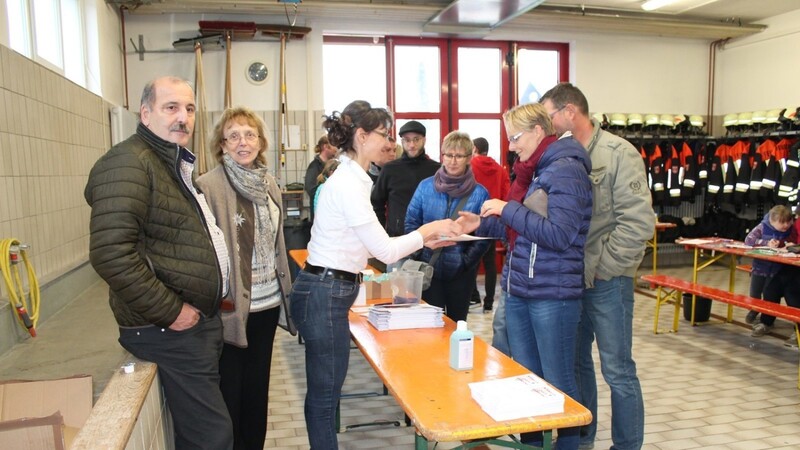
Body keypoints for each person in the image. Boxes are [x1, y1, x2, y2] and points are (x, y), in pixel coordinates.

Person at [290, 100, 461, 450]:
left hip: (330, 289)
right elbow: (383, 252)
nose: (390, 142)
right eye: (384, 134)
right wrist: (428, 230)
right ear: (362, 136)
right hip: (324, 292)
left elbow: (363, 246)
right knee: (325, 396)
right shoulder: (349, 185)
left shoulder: (357, 179)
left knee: (327, 392)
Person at [84, 76, 233, 450]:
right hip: (167, 330)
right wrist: (172, 312)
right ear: (145, 113)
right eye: (171, 108)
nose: (183, 117)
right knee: (212, 438)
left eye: (189, 108)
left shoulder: (170, 163)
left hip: (192, 327)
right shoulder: (128, 163)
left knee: (205, 434)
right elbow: (111, 254)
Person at [457, 103, 592, 449]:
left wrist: (508, 208)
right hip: (520, 289)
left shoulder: (566, 170)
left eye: (516, 138)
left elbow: (560, 235)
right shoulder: (532, 170)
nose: (512, 146)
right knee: (528, 383)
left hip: (553, 294)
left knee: (559, 385)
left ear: (537, 131)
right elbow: (520, 227)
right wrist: (482, 222)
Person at [541, 82, 655, 450]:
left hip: (607, 280)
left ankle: (626, 445)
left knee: (618, 370)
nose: (548, 122)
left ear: (570, 112)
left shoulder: (619, 153)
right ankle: (584, 436)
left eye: (550, 114)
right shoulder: (563, 154)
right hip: (572, 279)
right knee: (577, 364)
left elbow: (638, 223)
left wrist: (605, 268)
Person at [195, 106, 295, 450]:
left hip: (267, 304)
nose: (243, 142)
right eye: (233, 135)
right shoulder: (207, 186)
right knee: (230, 392)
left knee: (257, 389)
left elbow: (277, 241)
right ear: (221, 145)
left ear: (260, 141)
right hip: (230, 309)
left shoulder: (267, 183)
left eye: (249, 134)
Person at [405, 131, 490, 322]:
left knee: (457, 325)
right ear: (442, 156)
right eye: (448, 155)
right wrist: (421, 252)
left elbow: (484, 234)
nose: (452, 161)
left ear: (469, 158)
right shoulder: (425, 187)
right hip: (429, 269)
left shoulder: (480, 193)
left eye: (459, 156)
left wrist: (465, 262)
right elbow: (411, 223)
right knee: (430, 328)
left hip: (461, 275)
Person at [371, 120, 440, 236]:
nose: (412, 145)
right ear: (402, 142)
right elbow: (376, 204)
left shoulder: (437, 170)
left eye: (416, 139)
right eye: (407, 140)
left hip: (430, 237)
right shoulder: (390, 169)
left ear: (424, 140)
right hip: (398, 238)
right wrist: (381, 234)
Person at [469, 137, 510, 312]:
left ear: (474, 148)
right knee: (490, 262)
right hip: (493, 219)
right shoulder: (500, 170)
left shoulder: (469, 167)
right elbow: (506, 194)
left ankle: (474, 298)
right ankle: (489, 302)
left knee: (471, 260)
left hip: (473, 219)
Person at [744, 205, 793, 337]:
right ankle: (754, 310)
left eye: (788, 222)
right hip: (759, 269)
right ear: (772, 220)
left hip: (775, 270)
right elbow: (748, 240)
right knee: (755, 293)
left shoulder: (789, 231)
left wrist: (787, 245)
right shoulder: (762, 227)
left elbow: (790, 242)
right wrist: (766, 243)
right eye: (782, 222)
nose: (786, 225)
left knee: (769, 296)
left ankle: (766, 319)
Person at [304, 135, 338, 221]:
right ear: (325, 146)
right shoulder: (314, 167)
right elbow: (310, 189)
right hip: (320, 214)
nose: (336, 148)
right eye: (334, 145)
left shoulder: (333, 165)